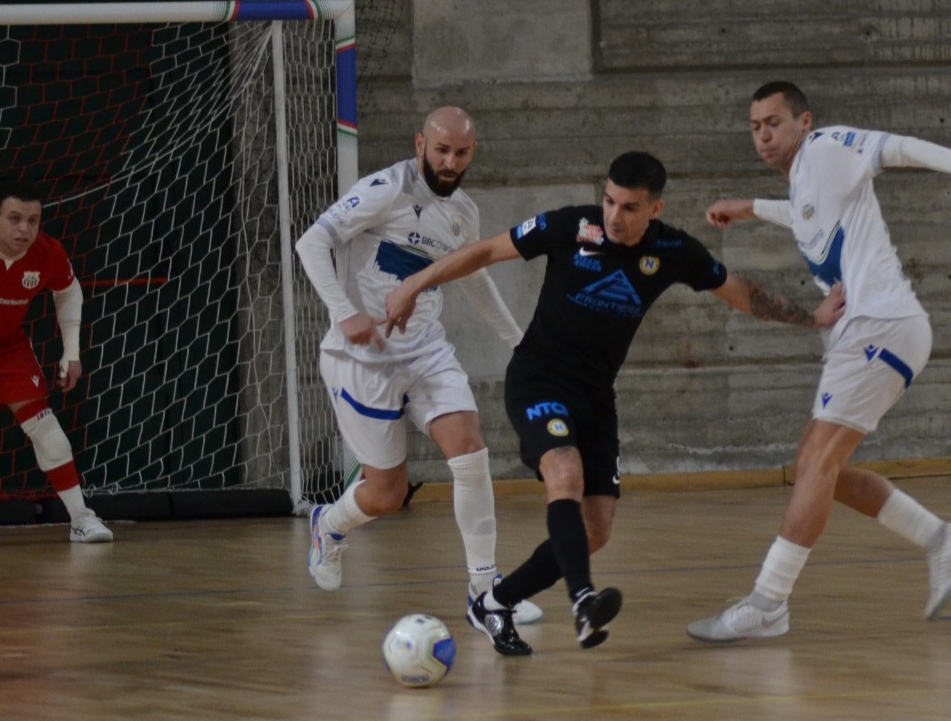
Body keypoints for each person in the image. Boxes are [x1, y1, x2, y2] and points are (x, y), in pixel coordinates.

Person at [383, 151, 843, 655]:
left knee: (596, 529)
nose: (614, 216)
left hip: (596, 398)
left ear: (655, 209)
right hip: (538, 379)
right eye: (609, 201)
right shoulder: (572, 228)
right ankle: (582, 600)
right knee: (565, 475)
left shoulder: (672, 251)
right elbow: (486, 252)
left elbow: (741, 293)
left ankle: (494, 602)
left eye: (629, 207)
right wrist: (416, 283)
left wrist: (813, 318)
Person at [685, 81, 951, 642]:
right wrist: (749, 209)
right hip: (864, 332)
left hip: (882, 325)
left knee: (816, 465)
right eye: (755, 126)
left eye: (774, 122)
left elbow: (901, 147)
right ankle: (941, 538)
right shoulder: (807, 181)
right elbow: (807, 215)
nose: (764, 135)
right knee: (821, 471)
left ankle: (769, 601)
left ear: (804, 122)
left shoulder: (827, 147)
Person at [293, 106, 544, 626]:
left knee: (471, 450)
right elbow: (311, 241)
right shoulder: (387, 189)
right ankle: (330, 524)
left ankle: (485, 593)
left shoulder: (463, 213)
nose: (450, 161)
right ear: (420, 145)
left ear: (473, 153)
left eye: (462, 153)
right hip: (363, 358)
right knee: (386, 495)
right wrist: (345, 315)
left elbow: (474, 278)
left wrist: (520, 343)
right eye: (441, 150)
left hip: (427, 351)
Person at [0, 181, 111, 543]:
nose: (24, 229)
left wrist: (72, 353)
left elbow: (68, 292)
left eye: (33, 220)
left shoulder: (48, 254)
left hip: (5, 346)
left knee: (46, 428)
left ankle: (82, 518)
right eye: (15, 218)